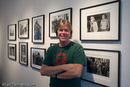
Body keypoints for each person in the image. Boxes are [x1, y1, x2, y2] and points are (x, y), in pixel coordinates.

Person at [40, 19, 86, 87]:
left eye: (66, 30)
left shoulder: (77, 48)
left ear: (70, 33)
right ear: (57, 32)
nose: (63, 32)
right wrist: (65, 67)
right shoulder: (51, 49)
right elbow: (43, 71)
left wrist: (55, 75)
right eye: (61, 30)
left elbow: (76, 73)